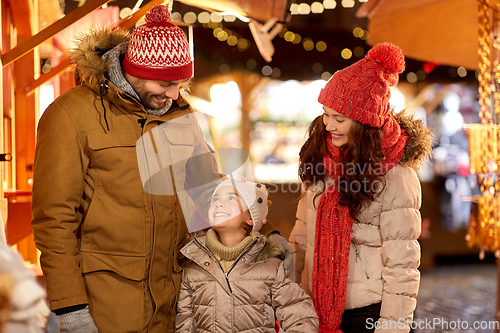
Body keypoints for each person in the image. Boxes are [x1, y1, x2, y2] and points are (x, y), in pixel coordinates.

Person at [31, 5, 221, 332]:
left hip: (177, 304)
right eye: (167, 84)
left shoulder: (178, 113)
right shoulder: (70, 115)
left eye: (180, 84)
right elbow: (54, 220)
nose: (174, 94)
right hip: (106, 307)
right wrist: (71, 307)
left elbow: (209, 192)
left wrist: (260, 236)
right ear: (137, 70)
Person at [289, 43, 433, 333]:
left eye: (340, 118)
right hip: (315, 306)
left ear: (365, 122)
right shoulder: (320, 159)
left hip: (370, 313)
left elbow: (402, 265)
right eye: (326, 114)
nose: (329, 125)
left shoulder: (396, 175)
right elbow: (302, 236)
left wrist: (392, 327)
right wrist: (290, 300)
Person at [176, 178, 319, 332]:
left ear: (251, 217)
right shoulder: (193, 267)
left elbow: (301, 317)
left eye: (231, 198)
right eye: (215, 199)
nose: (219, 203)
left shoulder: (269, 269)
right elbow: (184, 324)